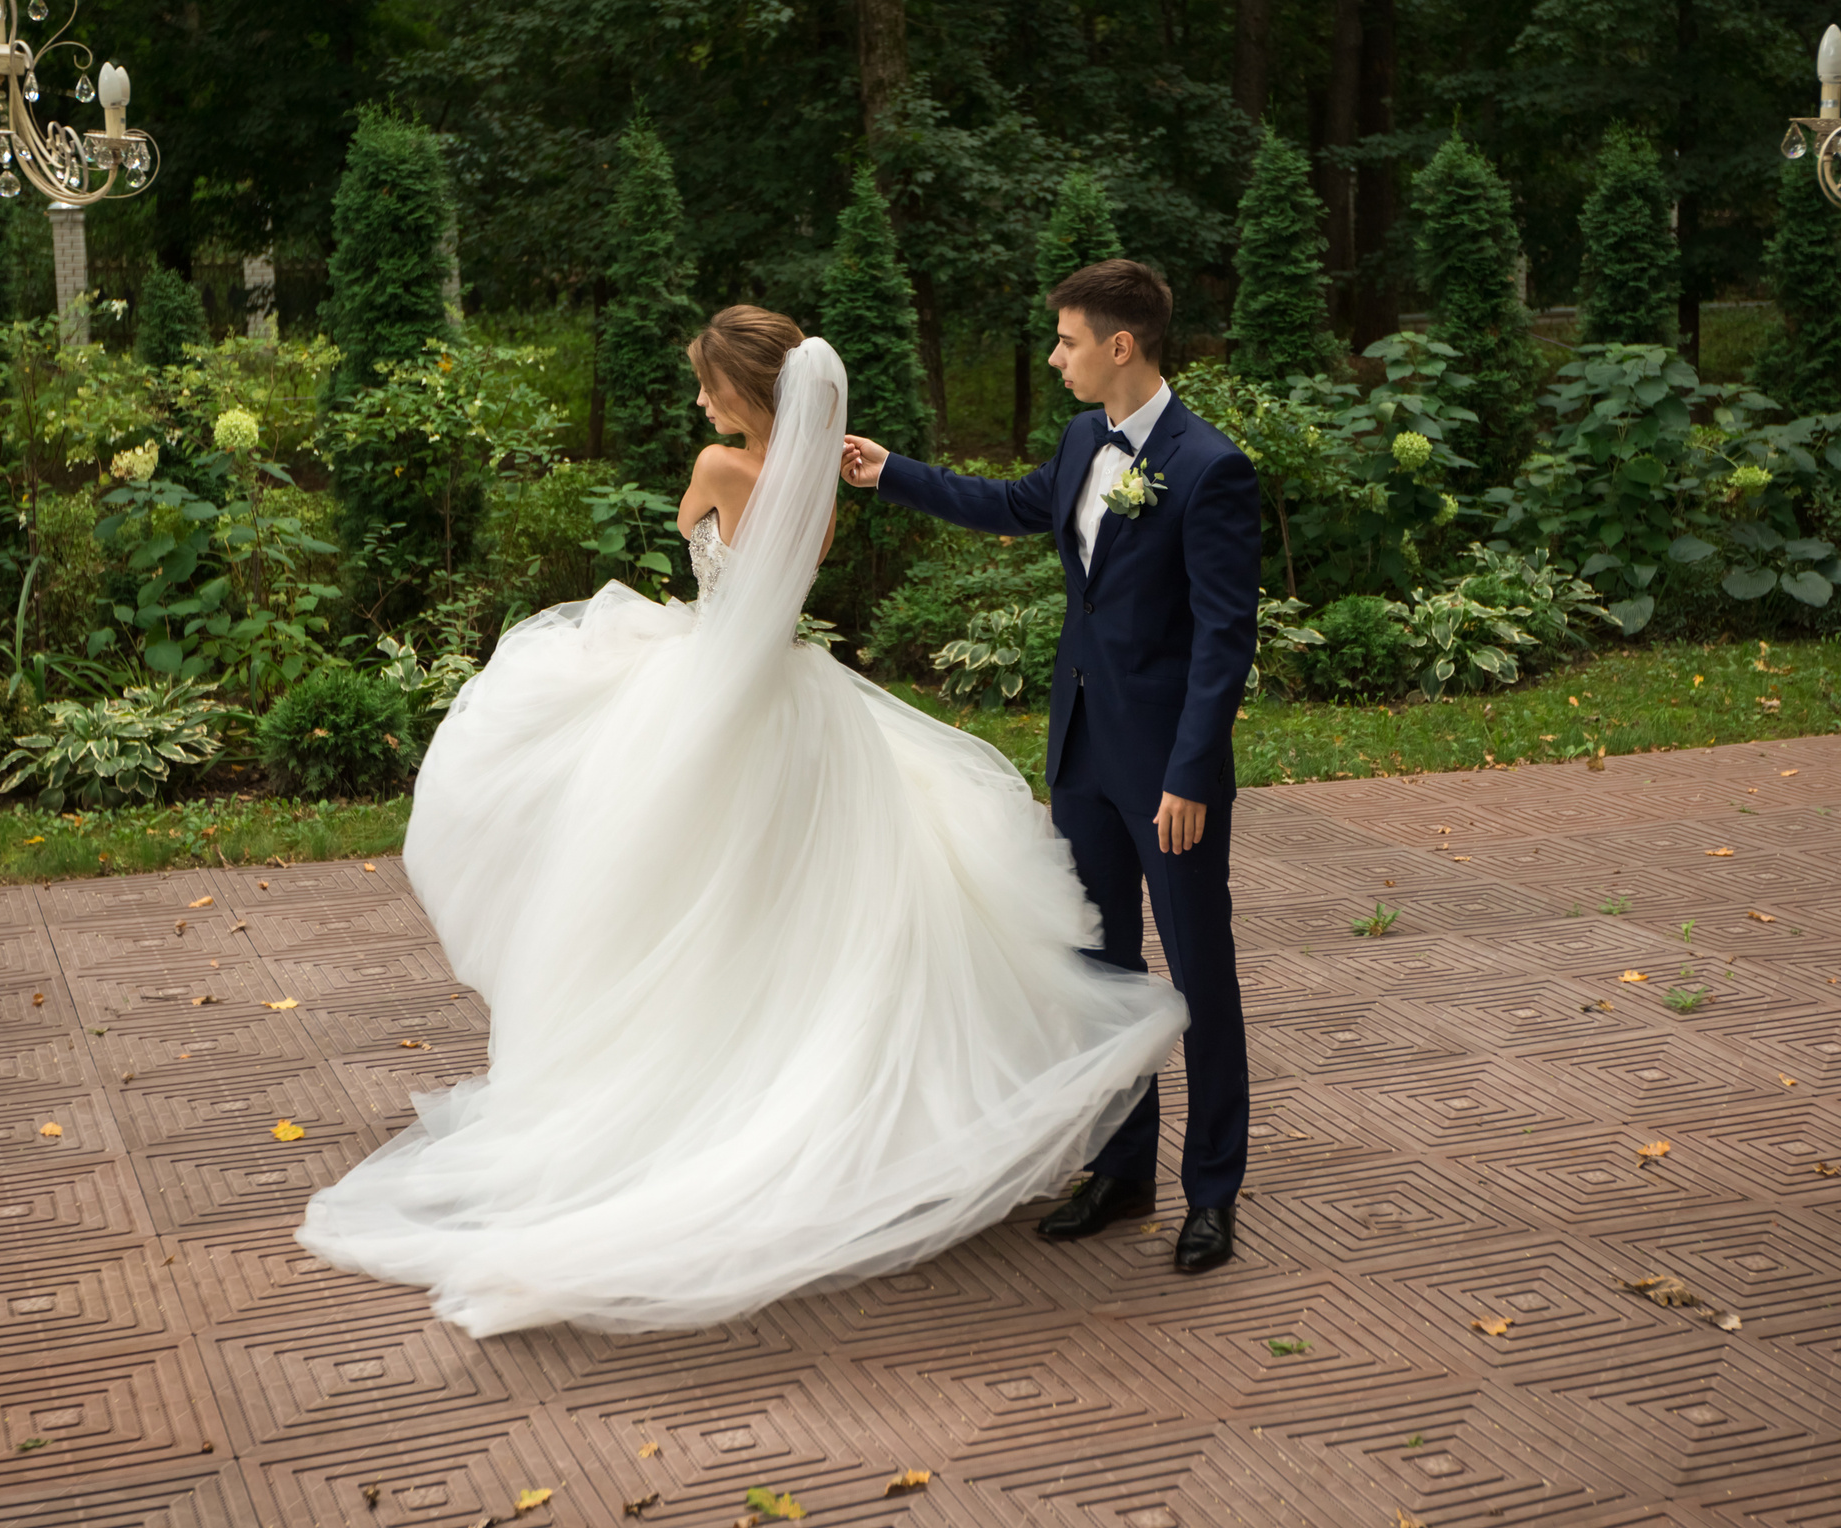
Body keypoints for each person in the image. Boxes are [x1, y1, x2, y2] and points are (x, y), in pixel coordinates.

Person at [295, 306, 1185, 1335]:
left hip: (713, 694)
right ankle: (815, 1097)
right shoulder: (814, 487)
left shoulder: (720, 468)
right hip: (800, 709)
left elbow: (696, 544)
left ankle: (686, 1100)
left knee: (668, 895)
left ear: (745, 392)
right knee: (806, 914)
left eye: (709, 386)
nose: (699, 400)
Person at [841, 258, 1260, 1274]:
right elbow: (1013, 505)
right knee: (1099, 971)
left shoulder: (1211, 468)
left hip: (1167, 775)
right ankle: (1121, 1170)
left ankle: (1212, 1193)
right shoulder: (1081, 439)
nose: (1054, 357)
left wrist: (1190, 774)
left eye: (1067, 341)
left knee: (1199, 976)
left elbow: (1223, 640)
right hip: (1080, 756)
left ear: (1121, 345)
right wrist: (890, 471)